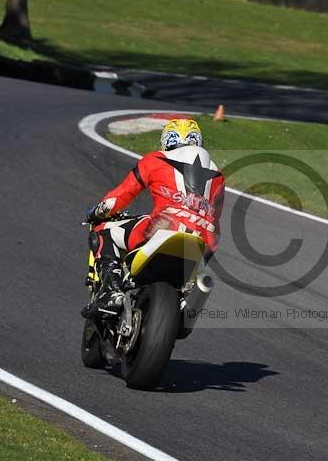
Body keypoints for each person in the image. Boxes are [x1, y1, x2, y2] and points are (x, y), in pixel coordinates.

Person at [81, 119, 224, 318]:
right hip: (203, 238)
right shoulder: (218, 176)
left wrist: (96, 212)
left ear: (167, 140)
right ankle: (186, 297)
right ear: (197, 141)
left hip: (163, 225)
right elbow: (215, 225)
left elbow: (116, 200)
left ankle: (111, 291)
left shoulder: (156, 159)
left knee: (104, 230)